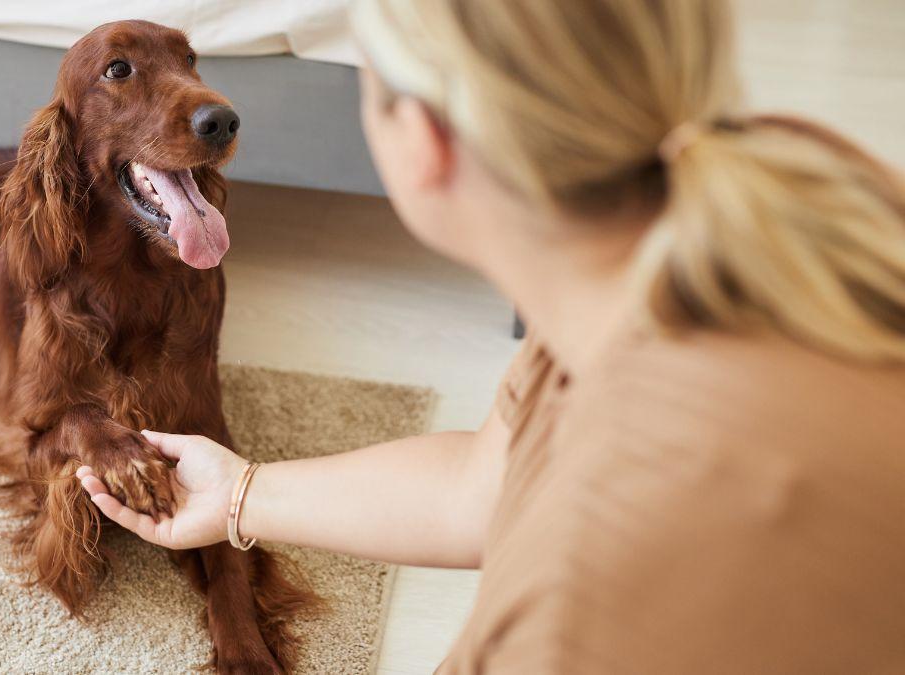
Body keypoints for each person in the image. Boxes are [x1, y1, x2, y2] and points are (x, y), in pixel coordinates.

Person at [77, 0, 905, 671]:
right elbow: (484, 483)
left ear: (423, 141)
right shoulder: (768, 216)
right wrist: (241, 493)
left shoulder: (585, 608)